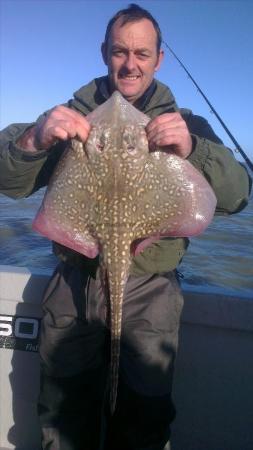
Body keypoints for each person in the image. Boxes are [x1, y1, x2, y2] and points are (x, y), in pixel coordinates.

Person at [0, 4, 251, 450]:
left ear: (158, 58)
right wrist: (34, 138)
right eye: (120, 52)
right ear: (104, 53)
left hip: (151, 291)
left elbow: (237, 196)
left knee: (141, 418)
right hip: (73, 283)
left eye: (141, 52)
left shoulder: (188, 125)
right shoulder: (68, 118)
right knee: (62, 413)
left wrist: (193, 148)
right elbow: (8, 181)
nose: (130, 64)